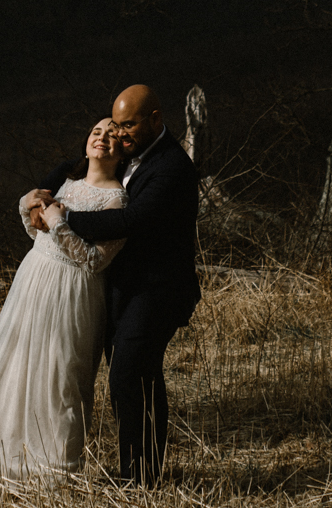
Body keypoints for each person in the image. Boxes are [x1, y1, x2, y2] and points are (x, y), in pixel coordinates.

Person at [20, 84, 200, 485]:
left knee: (128, 372)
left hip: (159, 290)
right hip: (125, 289)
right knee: (140, 375)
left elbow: (128, 222)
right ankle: (143, 472)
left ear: (155, 119)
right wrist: (44, 193)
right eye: (116, 125)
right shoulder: (131, 153)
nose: (120, 134)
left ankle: (138, 478)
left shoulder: (172, 167)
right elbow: (78, 165)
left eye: (129, 125)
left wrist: (63, 217)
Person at [0, 120, 128, 485]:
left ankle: (54, 473)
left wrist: (59, 223)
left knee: (61, 378)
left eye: (111, 134)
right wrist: (27, 207)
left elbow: (94, 261)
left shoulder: (117, 198)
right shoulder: (66, 184)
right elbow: (39, 233)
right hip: (34, 279)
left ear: (123, 149)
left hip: (72, 291)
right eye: (96, 131)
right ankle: (5, 462)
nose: (101, 138)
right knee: (17, 367)